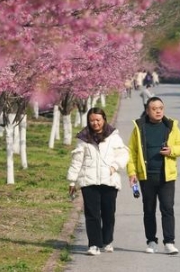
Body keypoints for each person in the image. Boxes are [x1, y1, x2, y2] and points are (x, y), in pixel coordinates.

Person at [127, 96, 180, 255]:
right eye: (154, 108)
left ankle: (169, 242)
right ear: (147, 111)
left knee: (167, 208)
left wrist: (171, 151)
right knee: (149, 209)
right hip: (146, 176)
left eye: (160, 108)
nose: (158, 111)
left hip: (167, 176)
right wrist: (132, 172)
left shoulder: (171, 126)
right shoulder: (140, 128)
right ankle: (151, 241)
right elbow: (131, 152)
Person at [67, 107, 129, 256]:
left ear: (104, 120)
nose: (95, 123)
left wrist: (114, 167)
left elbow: (123, 154)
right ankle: (94, 244)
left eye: (98, 120)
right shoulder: (83, 138)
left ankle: (107, 241)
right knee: (92, 213)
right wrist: (72, 181)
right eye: (92, 120)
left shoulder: (113, 136)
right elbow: (77, 160)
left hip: (109, 180)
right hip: (89, 180)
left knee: (108, 213)